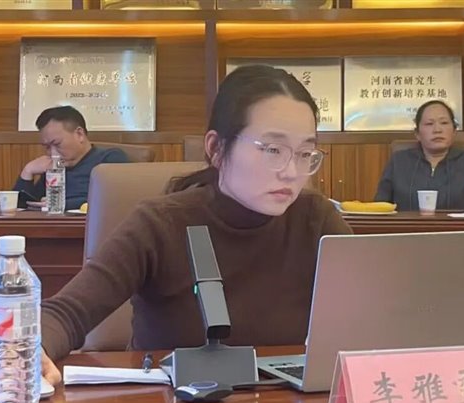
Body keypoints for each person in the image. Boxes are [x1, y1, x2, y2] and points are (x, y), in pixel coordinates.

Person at [41, 65, 353, 385]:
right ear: (216, 148)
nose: (291, 172)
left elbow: (371, 314)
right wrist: (35, 349)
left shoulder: (315, 219)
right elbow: (65, 313)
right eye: (273, 150)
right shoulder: (160, 224)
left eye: (305, 153)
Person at [13, 106, 129, 210]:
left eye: (57, 144)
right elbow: (22, 206)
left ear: (79, 134)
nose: (53, 154)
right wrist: (27, 171)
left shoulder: (109, 159)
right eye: (47, 147)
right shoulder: (54, 167)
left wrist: (61, 204)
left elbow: (116, 199)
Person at [374, 100, 464, 212]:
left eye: (444, 123)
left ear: (454, 131)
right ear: (417, 134)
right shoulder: (399, 162)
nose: (437, 130)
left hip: (459, 224)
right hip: (407, 224)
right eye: (429, 124)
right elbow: (381, 207)